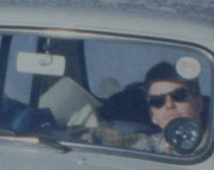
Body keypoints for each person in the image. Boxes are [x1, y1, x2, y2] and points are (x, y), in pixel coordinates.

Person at [71, 60, 206, 154]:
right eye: (157, 101)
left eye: (178, 96)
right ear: (153, 117)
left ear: (199, 104)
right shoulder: (147, 147)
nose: (169, 105)